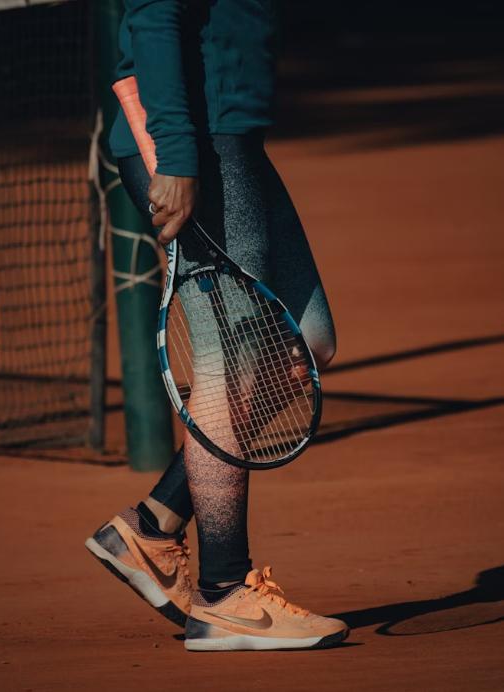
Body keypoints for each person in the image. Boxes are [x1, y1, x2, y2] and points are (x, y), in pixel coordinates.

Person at [86, 0, 348, 651]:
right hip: (196, 142)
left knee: (305, 343)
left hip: (234, 134)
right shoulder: (188, 144)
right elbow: (153, 14)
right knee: (227, 362)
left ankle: (151, 528)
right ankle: (225, 592)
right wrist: (177, 157)